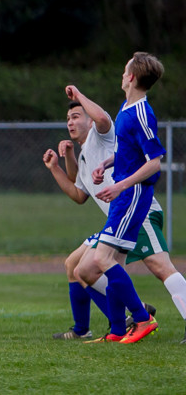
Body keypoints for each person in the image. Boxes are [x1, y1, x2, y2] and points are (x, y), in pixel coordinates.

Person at [43, 90, 186, 342]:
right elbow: (79, 194)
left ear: (89, 121)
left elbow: (102, 119)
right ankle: (123, 320)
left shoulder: (103, 136)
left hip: (139, 211)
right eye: (68, 118)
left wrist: (78, 93)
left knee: (160, 267)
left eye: (76, 116)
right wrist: (57, 166)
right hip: (118, 218)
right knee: (80, 268)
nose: (70, 122)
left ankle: (137, 316)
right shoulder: (87, 155)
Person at [73, 53, 167, 343]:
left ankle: (140, 318)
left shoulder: (141, 112)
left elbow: (155, 162)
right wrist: (107, 164)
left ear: (132, 77)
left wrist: (119, 186)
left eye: (125, 69)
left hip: (131, 195)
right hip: (124, 196)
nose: (122, 73)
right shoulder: (127, 108)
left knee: (101, 258)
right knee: (110, 262)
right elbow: (130, 153)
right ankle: (116, 330)